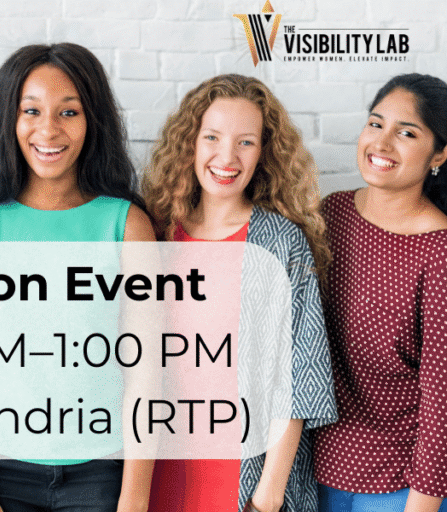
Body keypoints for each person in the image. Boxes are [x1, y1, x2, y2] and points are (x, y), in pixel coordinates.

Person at [0, 42, 157, 512]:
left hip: (101, 474)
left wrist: (134, 498)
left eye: (69, 112)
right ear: (9, 120)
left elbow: (145, 372)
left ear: (92, 120)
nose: (49, 130)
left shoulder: (126, 225)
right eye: (31, 110)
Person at [141, 74, 337, 512]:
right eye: (212, 137)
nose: (226, 156)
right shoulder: (152, 232)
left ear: (264, 152)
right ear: (190, 142)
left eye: (245, 142)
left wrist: (267, 496)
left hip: (242, 478)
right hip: (153, 468)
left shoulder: (282, 242)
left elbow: (299, 376)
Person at [313, 74, 447, 512]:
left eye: (407, 132)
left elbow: (441, 399)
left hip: (401, 485)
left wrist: (423, 502)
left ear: (440, 154)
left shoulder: (439, 250)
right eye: (376, 124)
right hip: (318, 468)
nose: (382, 142)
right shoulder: (332, 214)